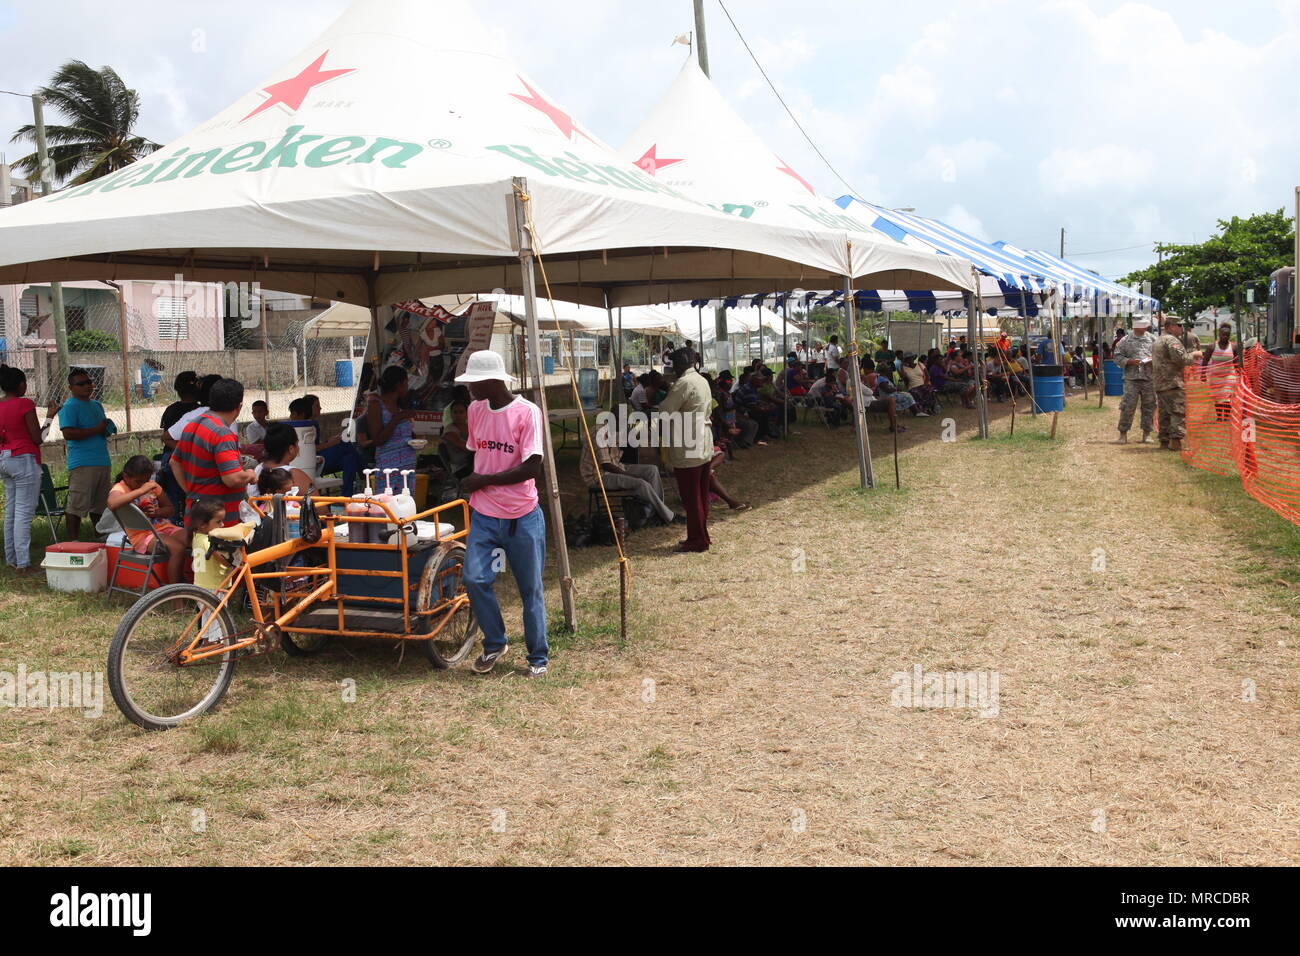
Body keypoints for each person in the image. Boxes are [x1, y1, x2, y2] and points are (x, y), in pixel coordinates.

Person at [455, 350, 549, 679]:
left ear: (493, 381)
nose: (469, 389)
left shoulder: (527, 412)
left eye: (473, 383)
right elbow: (473, 454)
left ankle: (538, 655)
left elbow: (532, 467)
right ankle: (495, 642)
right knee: (475, 578)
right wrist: (467, 480)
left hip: (522, 515)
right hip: (483, 513)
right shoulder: (475, 409)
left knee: (530, 588)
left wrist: (485, 480)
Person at [171, 378, 258, 526]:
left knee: (199, 549)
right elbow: (233, 479)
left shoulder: (193, 425)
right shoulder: (221, 433)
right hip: (219, 525)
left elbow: (174, 462)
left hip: (196, 515)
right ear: (239, 406)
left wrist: (191, 493)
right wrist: (250, 474)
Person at [658, 347, 715, 553]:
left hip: (688, 444)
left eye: (674, 365)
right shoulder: (702, 380)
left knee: (691, 498)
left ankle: (698, 540)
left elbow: (665, 410)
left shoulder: (683, 383)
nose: (672, 369)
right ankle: (700, 536)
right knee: (700, 494)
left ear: (680, 364)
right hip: (703, 441)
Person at [108, 455, 187, 583]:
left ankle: (193, 583)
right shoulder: (120, 488)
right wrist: (141, 491)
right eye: (138, 482)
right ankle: (176, 598)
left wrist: (157, 512)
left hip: (165, 528)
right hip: (143, 537)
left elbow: (170, 509)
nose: (143, 484)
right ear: (126, 476)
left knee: (194, 539)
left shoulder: (152, 486)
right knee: (178, 548)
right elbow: (112, 503)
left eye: (146, 480)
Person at [581, 420, 678, 525]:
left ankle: (657, 514)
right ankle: (670, 517)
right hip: (599, 476)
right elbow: (606, 465)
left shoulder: (616, 429)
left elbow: (618, 456)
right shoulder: (599, 433)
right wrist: (630, 475)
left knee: (652, 470)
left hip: (616, 466)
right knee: (641, 483)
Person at [59, 367, 116, 541]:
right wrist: (96, 429)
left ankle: (100, 537)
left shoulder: (97, 405)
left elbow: (100, 430)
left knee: (100, 505)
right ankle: (73, 541)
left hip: (102, 461)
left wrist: (106, 429)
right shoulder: (69, 407)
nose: (87, 386)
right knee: (76, 504)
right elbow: (68, 433)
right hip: (82, 463)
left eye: (89, 382)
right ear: (71, 387)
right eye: (81, 383)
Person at [0, 365, 46, 573]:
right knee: (23, 514)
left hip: (5, 458)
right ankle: (23, 564)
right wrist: (51, 418)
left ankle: (11, 558)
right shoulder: (25, 404)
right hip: (24, 458)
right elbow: (37, 438)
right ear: (20, 385)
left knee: (11, 511)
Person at [290, 394, 364, 495]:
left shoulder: (313, 424)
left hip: (318, 458)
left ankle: (347, 496)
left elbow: (314, 445)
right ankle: (366, 474)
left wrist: (327, 442)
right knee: (346, 445)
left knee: (349, 458)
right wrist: (330, 444)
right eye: (316, 405)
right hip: (312, 462)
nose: (320, 408)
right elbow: (310, 449)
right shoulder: (303, 426)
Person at [1152, 315, 1200, 452]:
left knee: (1164, 414)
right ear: (1171, 326)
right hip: (1173, 382)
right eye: (1179, 325)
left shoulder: (1158, 340)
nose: (1182, 328)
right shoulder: (1172, 340)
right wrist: (1195, 354)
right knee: (1177, 413)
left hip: (1161, 383)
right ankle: (1176, 442)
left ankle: (1164, 441)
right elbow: (1181, 359)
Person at [1113, 318, 1158, 444]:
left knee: (1149, 406)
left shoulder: (1153, 339)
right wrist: (1130, 361)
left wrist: (1151, 359)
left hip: (1149, 378)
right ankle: (1123, 434)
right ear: (1135, 326)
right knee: (1128, 406)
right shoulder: (1125, 340)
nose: (1145, 327)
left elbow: (1160, 356)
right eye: (1142, 325)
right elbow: (1117, 357)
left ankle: (1147, 434)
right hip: (1131, 379)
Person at [366, 366, 417, 475]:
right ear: (399, 385)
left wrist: (414, 439)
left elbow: (404, 435)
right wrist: (398, 418)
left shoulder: (401, 405)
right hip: (388, 467)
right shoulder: (376, 404)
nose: (408, 387)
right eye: (406, 383)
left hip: (407, 466)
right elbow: (378, 440)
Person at [258, 423, 315, 495]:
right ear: (291, 449)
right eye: (297, 443)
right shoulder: (293, 475)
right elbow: (319, 504)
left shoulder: (256, 470)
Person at [188, 500, 232, 591]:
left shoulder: (197, 536)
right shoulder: (208, 542)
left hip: (202, 584)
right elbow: (226, 562)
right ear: (203, 525)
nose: (222, 525)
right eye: (218, 522)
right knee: (217, 606)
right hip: (214, 586)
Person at [1202, 323, 1239, 421]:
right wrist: (1203, 374)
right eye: (1223, 335)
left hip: (1229, 376)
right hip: (1215, 376)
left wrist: (1239, 373)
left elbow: (1236, 362)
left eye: (1227, 335)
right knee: (1218, 396)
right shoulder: (1212, 346)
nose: (1225, 337)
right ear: (1219, 334)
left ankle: (1226, 417)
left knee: (1227, 396)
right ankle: (1219, 417)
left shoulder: (1234, 347)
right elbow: (1205, 361)